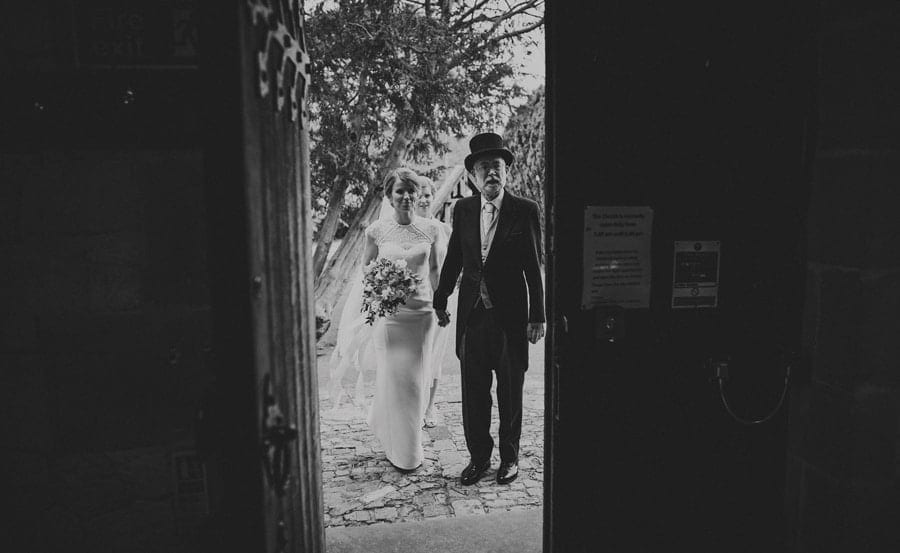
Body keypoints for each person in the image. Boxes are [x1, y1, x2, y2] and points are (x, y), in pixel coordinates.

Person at [433, 132, 545, 485]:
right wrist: (441, 299)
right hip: (472, 319)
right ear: (473, 176)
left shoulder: (525, 210)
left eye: (496, 166)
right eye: (484, 168)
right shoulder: (463, 210)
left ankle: (509, 459)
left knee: (510, 392)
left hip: (510, 319)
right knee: (474, 393)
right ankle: (479, 458)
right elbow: (453, 260)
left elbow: (533, 267)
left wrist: (537, 315)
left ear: (506, 171)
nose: (491, 173)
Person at [362, 167, 443, 471]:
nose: (407, 197)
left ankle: (410, 448)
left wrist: (441, 303)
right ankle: (399, 448)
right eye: (400, 191)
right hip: (391, 318)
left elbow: (434, 270)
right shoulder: (376, 230)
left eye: (411, 191)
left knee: (414, 382)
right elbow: (366, 269)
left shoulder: (431, 229)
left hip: (421, 316)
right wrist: (382, 289)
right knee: (395, 381)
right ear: (389, 196)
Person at [414, 175, 457, 428]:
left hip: (439, 298)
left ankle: (430, 407)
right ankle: (414, 405)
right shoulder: (406, 229)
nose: (423, 199)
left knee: (436, 354)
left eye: (427, 194)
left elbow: (453, 265)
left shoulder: (445, 230)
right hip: (414, 301)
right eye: (418, 194)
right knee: (416, 355)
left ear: (434, 198)